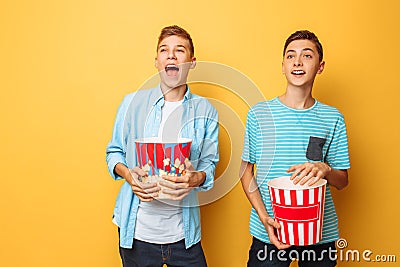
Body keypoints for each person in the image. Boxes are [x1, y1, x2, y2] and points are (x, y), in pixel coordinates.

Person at [106, 25, 219, 267]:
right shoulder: (131, 103)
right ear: (156, 61)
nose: (171, 55)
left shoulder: (205, 110)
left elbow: (209, 166)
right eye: (164, 50)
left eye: (180, 50)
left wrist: (195, 177)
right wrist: (129, 175)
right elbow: (113, 152)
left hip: (183, 235)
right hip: (137, 233)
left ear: (191, 62)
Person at [240, 30, 350, 266]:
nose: (298, 62)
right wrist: (263, 216)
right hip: (270, 230)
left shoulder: (333, 118)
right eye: (291, 56)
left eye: (307, 56)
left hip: (319, 232)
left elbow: (342, 181)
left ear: (320, 66)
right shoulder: (259, 114)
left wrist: (326, 170)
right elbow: (245, 171)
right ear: (283, 65)